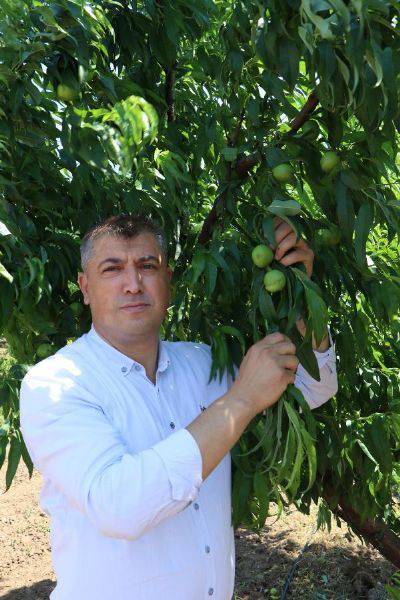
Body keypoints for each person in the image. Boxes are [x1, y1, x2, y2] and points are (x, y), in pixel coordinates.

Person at [20, 214, 338, 600]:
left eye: (147, 266)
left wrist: (301, 296)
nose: (133, 284)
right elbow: (120, 505)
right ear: (85, 288)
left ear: (167, 280)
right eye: (112, 269)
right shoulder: (56, 383)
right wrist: (239, 400)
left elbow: (311, 388)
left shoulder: (204, 363)